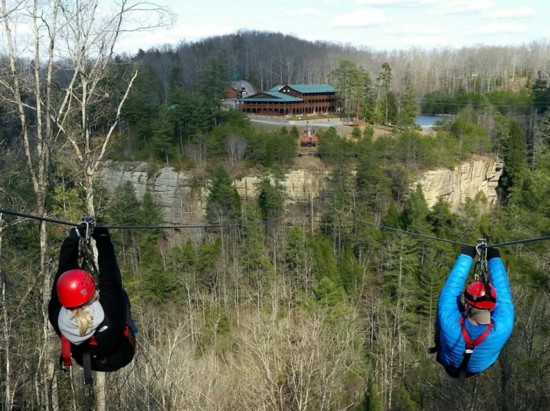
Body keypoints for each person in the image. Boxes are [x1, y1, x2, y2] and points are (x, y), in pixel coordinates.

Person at [48, 225, 136, 376]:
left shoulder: (56, 316)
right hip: (121, 355)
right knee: (120, 295)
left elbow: (63, 272)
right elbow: (110, 274)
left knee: (115, 295)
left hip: (85, 360)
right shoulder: (108, 309)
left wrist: (72, 240)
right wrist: (103, 239)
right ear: (91, 290)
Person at [434, 245, 514, 379]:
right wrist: (494, 258)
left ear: (467, 303)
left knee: (445, 308)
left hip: (449, 361)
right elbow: (503, 294)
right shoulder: (503, 326)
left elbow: (450, 292)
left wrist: (466, 256)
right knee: (446, 309)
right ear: (493, 304)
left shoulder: (450, 325)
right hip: (478, 366)